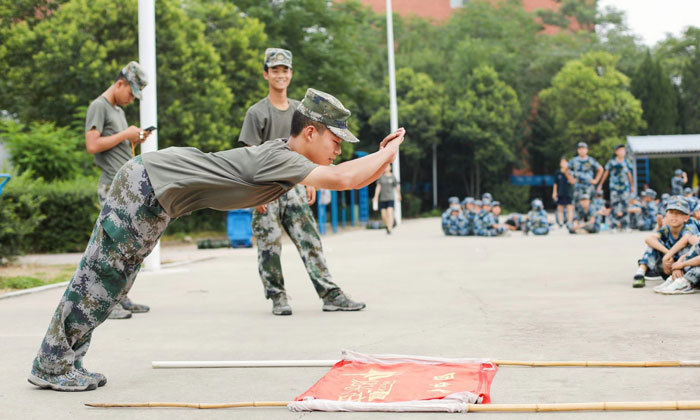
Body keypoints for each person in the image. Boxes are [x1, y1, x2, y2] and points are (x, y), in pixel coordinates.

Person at [28, 88, 406, 392]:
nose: (338, 150)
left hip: (156, 192)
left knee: (114, 280)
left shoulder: (286, 154)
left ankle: (66, 360)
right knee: (102, 277)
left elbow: (342, 173)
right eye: (335, 140)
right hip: (147, 184)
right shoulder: (286, 160)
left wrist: (378, 160)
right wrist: (387, 152)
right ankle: (51, 364)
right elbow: (345, 179)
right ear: (310, 132)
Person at [239, 49, 362, 316]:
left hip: (295, 184)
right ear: (266, 74)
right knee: (269, 244)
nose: (280, 74)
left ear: (291, 73)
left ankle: (331, 294)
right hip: (266, 188)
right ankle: (278, 297)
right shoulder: (257, 112)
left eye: (285, 70)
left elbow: (313, 146)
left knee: (310, 239)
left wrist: (312, 180)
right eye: (275, 70)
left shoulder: (301, 110)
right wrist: (256, 194)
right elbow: (250, 158)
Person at [84, 61, 151, 320]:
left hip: (125, 186)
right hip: (111, 185)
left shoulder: (117, 110)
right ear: (120, 83)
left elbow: (117, 141)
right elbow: (92, 144)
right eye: (131, 93)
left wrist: (134, 138)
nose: (132, 99)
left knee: (129, 247)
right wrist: (124, 134)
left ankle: (120, 297)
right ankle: (104, 304)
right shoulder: (98, 106)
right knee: (112, 247)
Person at [633, 197, 695, 288]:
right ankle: (640, 272)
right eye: (671, 213)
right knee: (655, 243)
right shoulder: (666, 229)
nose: (674, 216)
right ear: (666, 215)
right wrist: (667, 254)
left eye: (678, 213)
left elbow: (685, 240)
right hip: (666, 266)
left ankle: (680, 280)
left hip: (683, 269)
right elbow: (649, 239)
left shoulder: (689, 227)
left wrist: (671, 259)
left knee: (687, 248)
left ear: (686, 218)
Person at [598, 145, 634, 231]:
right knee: (614, 205)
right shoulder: (612, 162)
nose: (622, 152)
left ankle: (625, 226)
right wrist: (600, 184)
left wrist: (632, 185)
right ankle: (613, 226)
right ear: (616, 152)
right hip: (614, 187)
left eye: (623, 150)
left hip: (624, 187)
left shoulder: (627, 162)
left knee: (625, 205)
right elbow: (606, 173)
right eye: (620, 150)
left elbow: (629, 174)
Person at [569, 142, 603, 216]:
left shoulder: (591, 160)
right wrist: (571, 179)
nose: (582, 151)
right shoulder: (574, 160)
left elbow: (600, 169)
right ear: (578, 150)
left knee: (590, 203)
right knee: (577, 203)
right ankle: (578, 220)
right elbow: (565, 169)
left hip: (589, 185)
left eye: (583, 149)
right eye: (580, 149)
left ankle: (590, 220)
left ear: (587, 150)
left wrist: (596, 180)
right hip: (578, 185)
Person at [373, 165, 401, 234]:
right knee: (383, 215)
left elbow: (396, 186)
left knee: (389, 212)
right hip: (383, 199)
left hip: (390, 198)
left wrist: (399, 195)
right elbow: (378, 187)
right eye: (385, 167)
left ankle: (389, 228)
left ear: (390, 168)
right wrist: (376, 196)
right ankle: (389, 224)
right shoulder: (381, 177)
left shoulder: (392, 176)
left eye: (388, 167)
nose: (386, 168)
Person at [553, 157, 575, 228]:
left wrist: (566, 173)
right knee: (560, 207)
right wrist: (554, 192)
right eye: (562, 162)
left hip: (568, 192)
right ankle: (561, 222)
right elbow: (555, 183)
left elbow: (572, 181)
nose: (563, 164)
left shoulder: (570, 172)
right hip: (560, 192)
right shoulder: (558, 173)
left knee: (569, 207)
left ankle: (569, 222)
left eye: (565, 162)